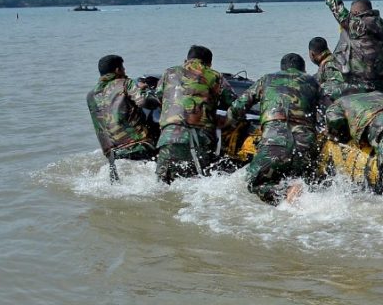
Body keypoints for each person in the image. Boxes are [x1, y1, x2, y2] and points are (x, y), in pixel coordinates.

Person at [228, 54, 322, 206]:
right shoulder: (313, 82)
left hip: (274, 143)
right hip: (306, 144)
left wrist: (231, 125)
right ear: (303, 69)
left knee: (253, 182)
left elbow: (237, 108)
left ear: (281, 68)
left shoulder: (267, 79)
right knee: (308, 179)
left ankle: (286, 191)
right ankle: (297, 195)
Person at [153, 45, 237, 183]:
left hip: (169, 138)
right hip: (200, 139)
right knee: (199, 183)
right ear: (209, 63)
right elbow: (233, 103)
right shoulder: (215, 76)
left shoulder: (169, 73)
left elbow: (158, 97)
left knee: (162, 184)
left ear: (186, 60)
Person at [87, 54, 159, 163]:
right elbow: (144, 102)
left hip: (112, 154)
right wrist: (145, 92)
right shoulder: (125, 84)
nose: (125, 70)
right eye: (123, 68)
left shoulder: (91, 95)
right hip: (138, 146)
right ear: (117, 70)